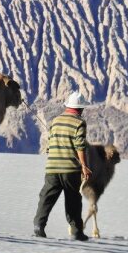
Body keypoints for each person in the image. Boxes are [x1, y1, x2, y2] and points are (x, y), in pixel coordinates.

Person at [33, 91, 93, 241]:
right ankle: (76, 231)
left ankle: (38, 226)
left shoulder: (55, 121)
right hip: (70, 169)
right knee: (73, 199)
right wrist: (84, 166)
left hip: (52, 168)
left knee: (46, 197)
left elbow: (49, 146)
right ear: (80, 109)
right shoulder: (79, 122)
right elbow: (80, 146)